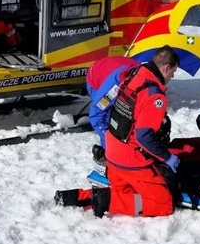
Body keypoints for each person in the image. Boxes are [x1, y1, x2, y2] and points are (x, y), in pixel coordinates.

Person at [55, 46, 180, 218]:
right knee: (163, 204)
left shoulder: (130, 76)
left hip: (115, 163)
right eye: (172, 73)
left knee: (129, 195)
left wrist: (112, 148)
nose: (171, 78)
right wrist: (167, 157)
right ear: (165, 67)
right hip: (130, 161)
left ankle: (78, 196)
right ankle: (106, 200)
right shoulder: (151, 94)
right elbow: (100, 116)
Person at [86, 56, 141, 164]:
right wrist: (109, 137)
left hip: (116, 66)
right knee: (107, 119)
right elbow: (96, 115)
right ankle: (108, 159)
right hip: (97, 76)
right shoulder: (114, 88)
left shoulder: (146, 82)